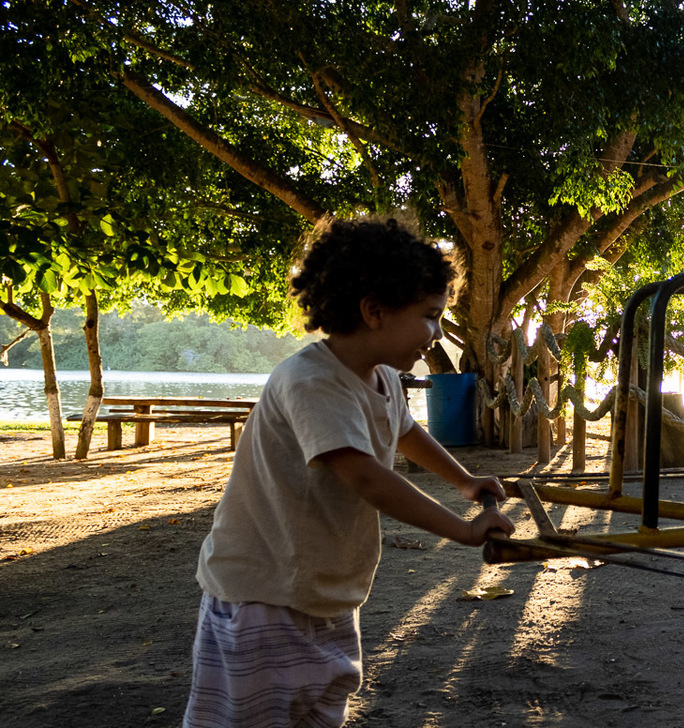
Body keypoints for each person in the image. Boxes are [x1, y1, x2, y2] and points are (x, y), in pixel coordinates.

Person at [182, 215, 515, 728]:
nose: (437, 333)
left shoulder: (382, 377)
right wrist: (463, 530)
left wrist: (465, 481)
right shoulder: (312, 381)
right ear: (374, 311)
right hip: (262, 595)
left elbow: (404, 431)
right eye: (430, 316)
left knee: (317, 713)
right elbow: (365, 477)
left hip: (326, 590)